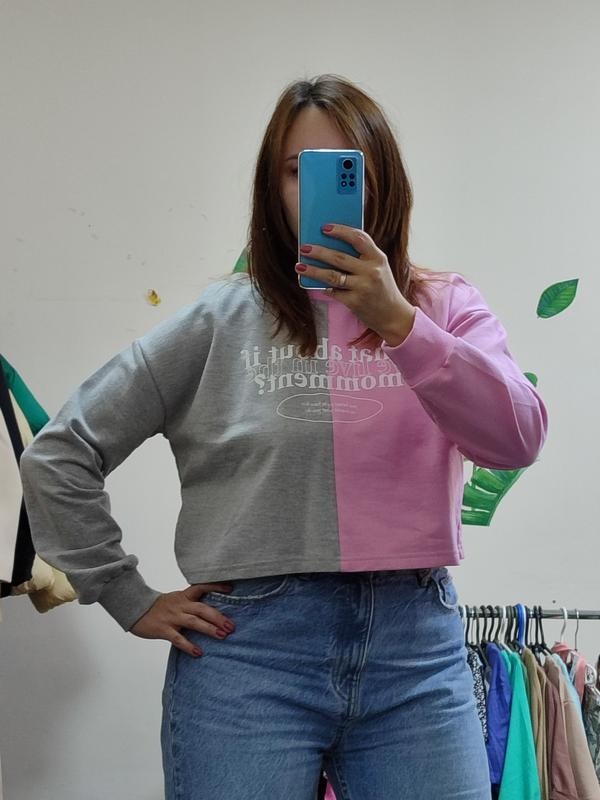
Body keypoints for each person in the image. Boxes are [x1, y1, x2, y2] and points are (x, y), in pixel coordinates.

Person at [19, 74, 548, 799]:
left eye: (346, 168)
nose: (318, 190)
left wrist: (402, 324)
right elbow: (60, 452)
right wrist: (124, 593)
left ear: (383, 180)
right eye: (298, 171)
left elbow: (517, 438)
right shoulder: (220, 320)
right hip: (249, 657)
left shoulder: (444, 306)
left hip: (415, 654)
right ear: (273, 191)